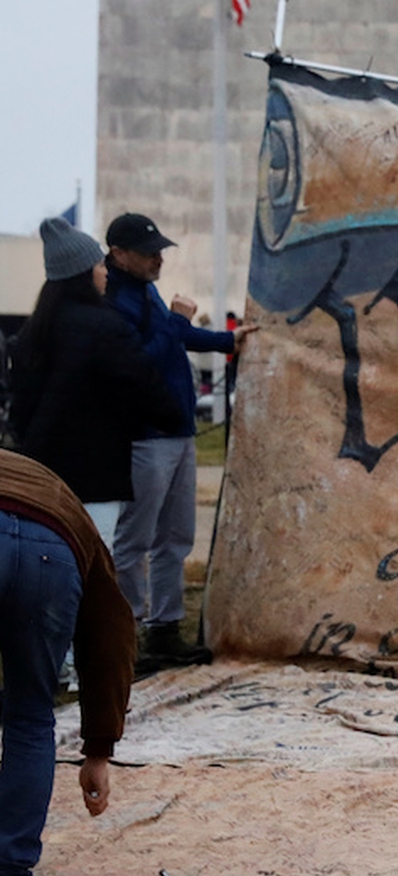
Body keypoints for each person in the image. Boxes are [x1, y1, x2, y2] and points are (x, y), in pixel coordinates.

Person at [102, 212, 254, 671]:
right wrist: (174, 320)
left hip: (176, 432)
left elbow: (175, 338)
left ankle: (164, 628)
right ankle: (125, 631)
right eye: (149, 253)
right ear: (119, 254)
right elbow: (141, 361)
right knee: (135, 539)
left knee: (175, 537)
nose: (158, 259)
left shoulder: (141, 290)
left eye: (159, 250)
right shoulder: (111, 301)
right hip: (144, 436)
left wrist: (227, 341)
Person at [0, 449, 138, 876]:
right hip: (53, 554)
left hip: (57, 539)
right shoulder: (61, 498)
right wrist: (99, 749)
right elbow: (111, 634)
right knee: (31, 713)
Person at [9, 218, 176, 555]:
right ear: (83, 273)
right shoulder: (106, 327)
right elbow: (148, 390)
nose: (106, 273)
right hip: (97, 479)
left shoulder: (31, 334)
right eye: (100, 265)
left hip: (41, 477)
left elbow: (20, 412)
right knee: (92, 567)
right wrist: (166, 417)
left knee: (50, 563)